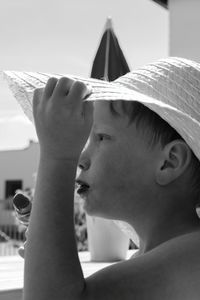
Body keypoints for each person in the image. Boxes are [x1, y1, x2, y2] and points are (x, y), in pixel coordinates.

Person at [16, 57, 200, 299]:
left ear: (169, 162)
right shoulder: (159, 256)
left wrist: (57, 156)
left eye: (101, 137)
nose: (81, 156)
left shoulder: (193, 255)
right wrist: (46, 250)